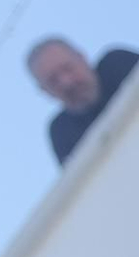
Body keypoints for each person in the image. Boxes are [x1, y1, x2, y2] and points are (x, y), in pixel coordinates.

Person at [26, 37, 138, 165]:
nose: (66, 82)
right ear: (44, 91)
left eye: (68, 68)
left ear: (81, 57)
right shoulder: (62, 133)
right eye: (53, 81)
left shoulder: (119, 64)